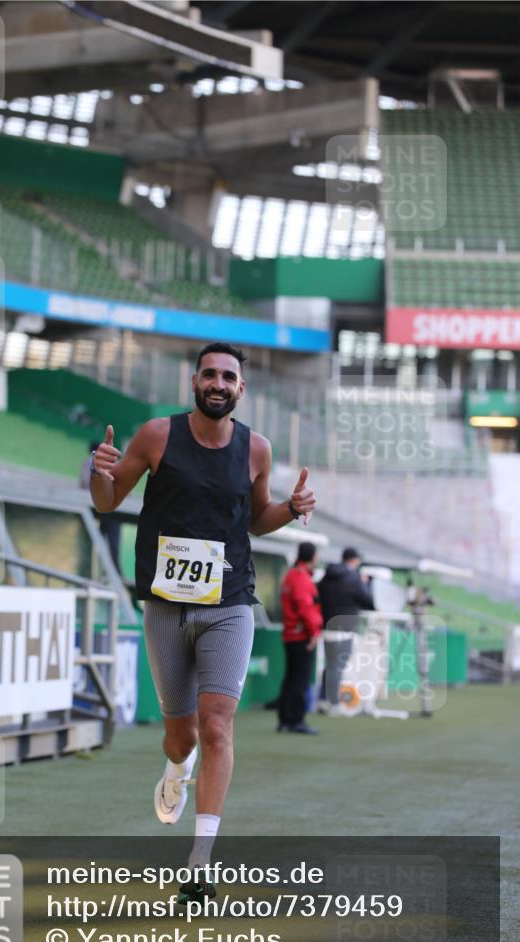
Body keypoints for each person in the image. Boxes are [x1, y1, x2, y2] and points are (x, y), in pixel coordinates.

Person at [89, 342, 316, 901]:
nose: (218, 383)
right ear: (194, 382)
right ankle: (176, 770)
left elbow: (257, 520)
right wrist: (99, 472)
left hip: (229, 603)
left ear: (241, 389)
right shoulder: (156, 436)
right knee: (182, 736)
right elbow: (107, 502)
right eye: (209, 374)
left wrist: (291, 509)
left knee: (217, 726)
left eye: (228, 377)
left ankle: (200, 860)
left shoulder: (256, 449)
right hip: (165, 605)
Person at [317, 546, 375, 712]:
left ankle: (323, 700)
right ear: (355, 560)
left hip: (327, 626)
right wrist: (365, 584)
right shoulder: (354, 578)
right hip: (344, 628)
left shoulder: (326, 576)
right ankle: (333, 703)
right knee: (337, 666)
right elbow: (368, 601)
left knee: (330, 665)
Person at [277, 541, 323, 735]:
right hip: (301, 634)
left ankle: (285, 720)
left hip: (291, 634)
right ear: (313, 557)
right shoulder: (302, 578)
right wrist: (314, 632)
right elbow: (306, 608)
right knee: (300, 680)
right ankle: (295, 720)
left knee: (291, 678)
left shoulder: (291, 575)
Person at [80, 440, 121, 571]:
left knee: (100, 543)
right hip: (104, 508)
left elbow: (83, 483)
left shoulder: (89, 463)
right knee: (108, 544)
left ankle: (110, 572)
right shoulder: (92, 463)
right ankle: (111, 571)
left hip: (101, 508)